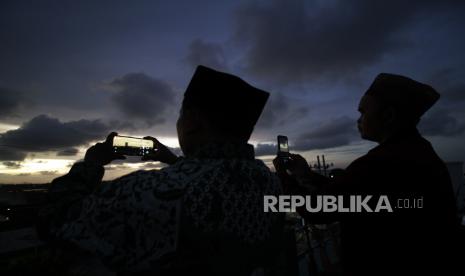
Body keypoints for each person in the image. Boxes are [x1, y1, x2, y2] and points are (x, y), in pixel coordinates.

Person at [37, 65, 284, 275]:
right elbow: (212, 186)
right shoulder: (269, 181)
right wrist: (171, 159)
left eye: (180, 115)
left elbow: (55, 219)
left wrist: (91, 164)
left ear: (193, 122)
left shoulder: (152, 190)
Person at [274, 73, 459, 275]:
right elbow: (356, 194)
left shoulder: (379, 163)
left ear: (388, 115)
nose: (358, 120)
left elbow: (317, 210)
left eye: (363, 112)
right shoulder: (421, 153)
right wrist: (308, 175)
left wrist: (283, 176)